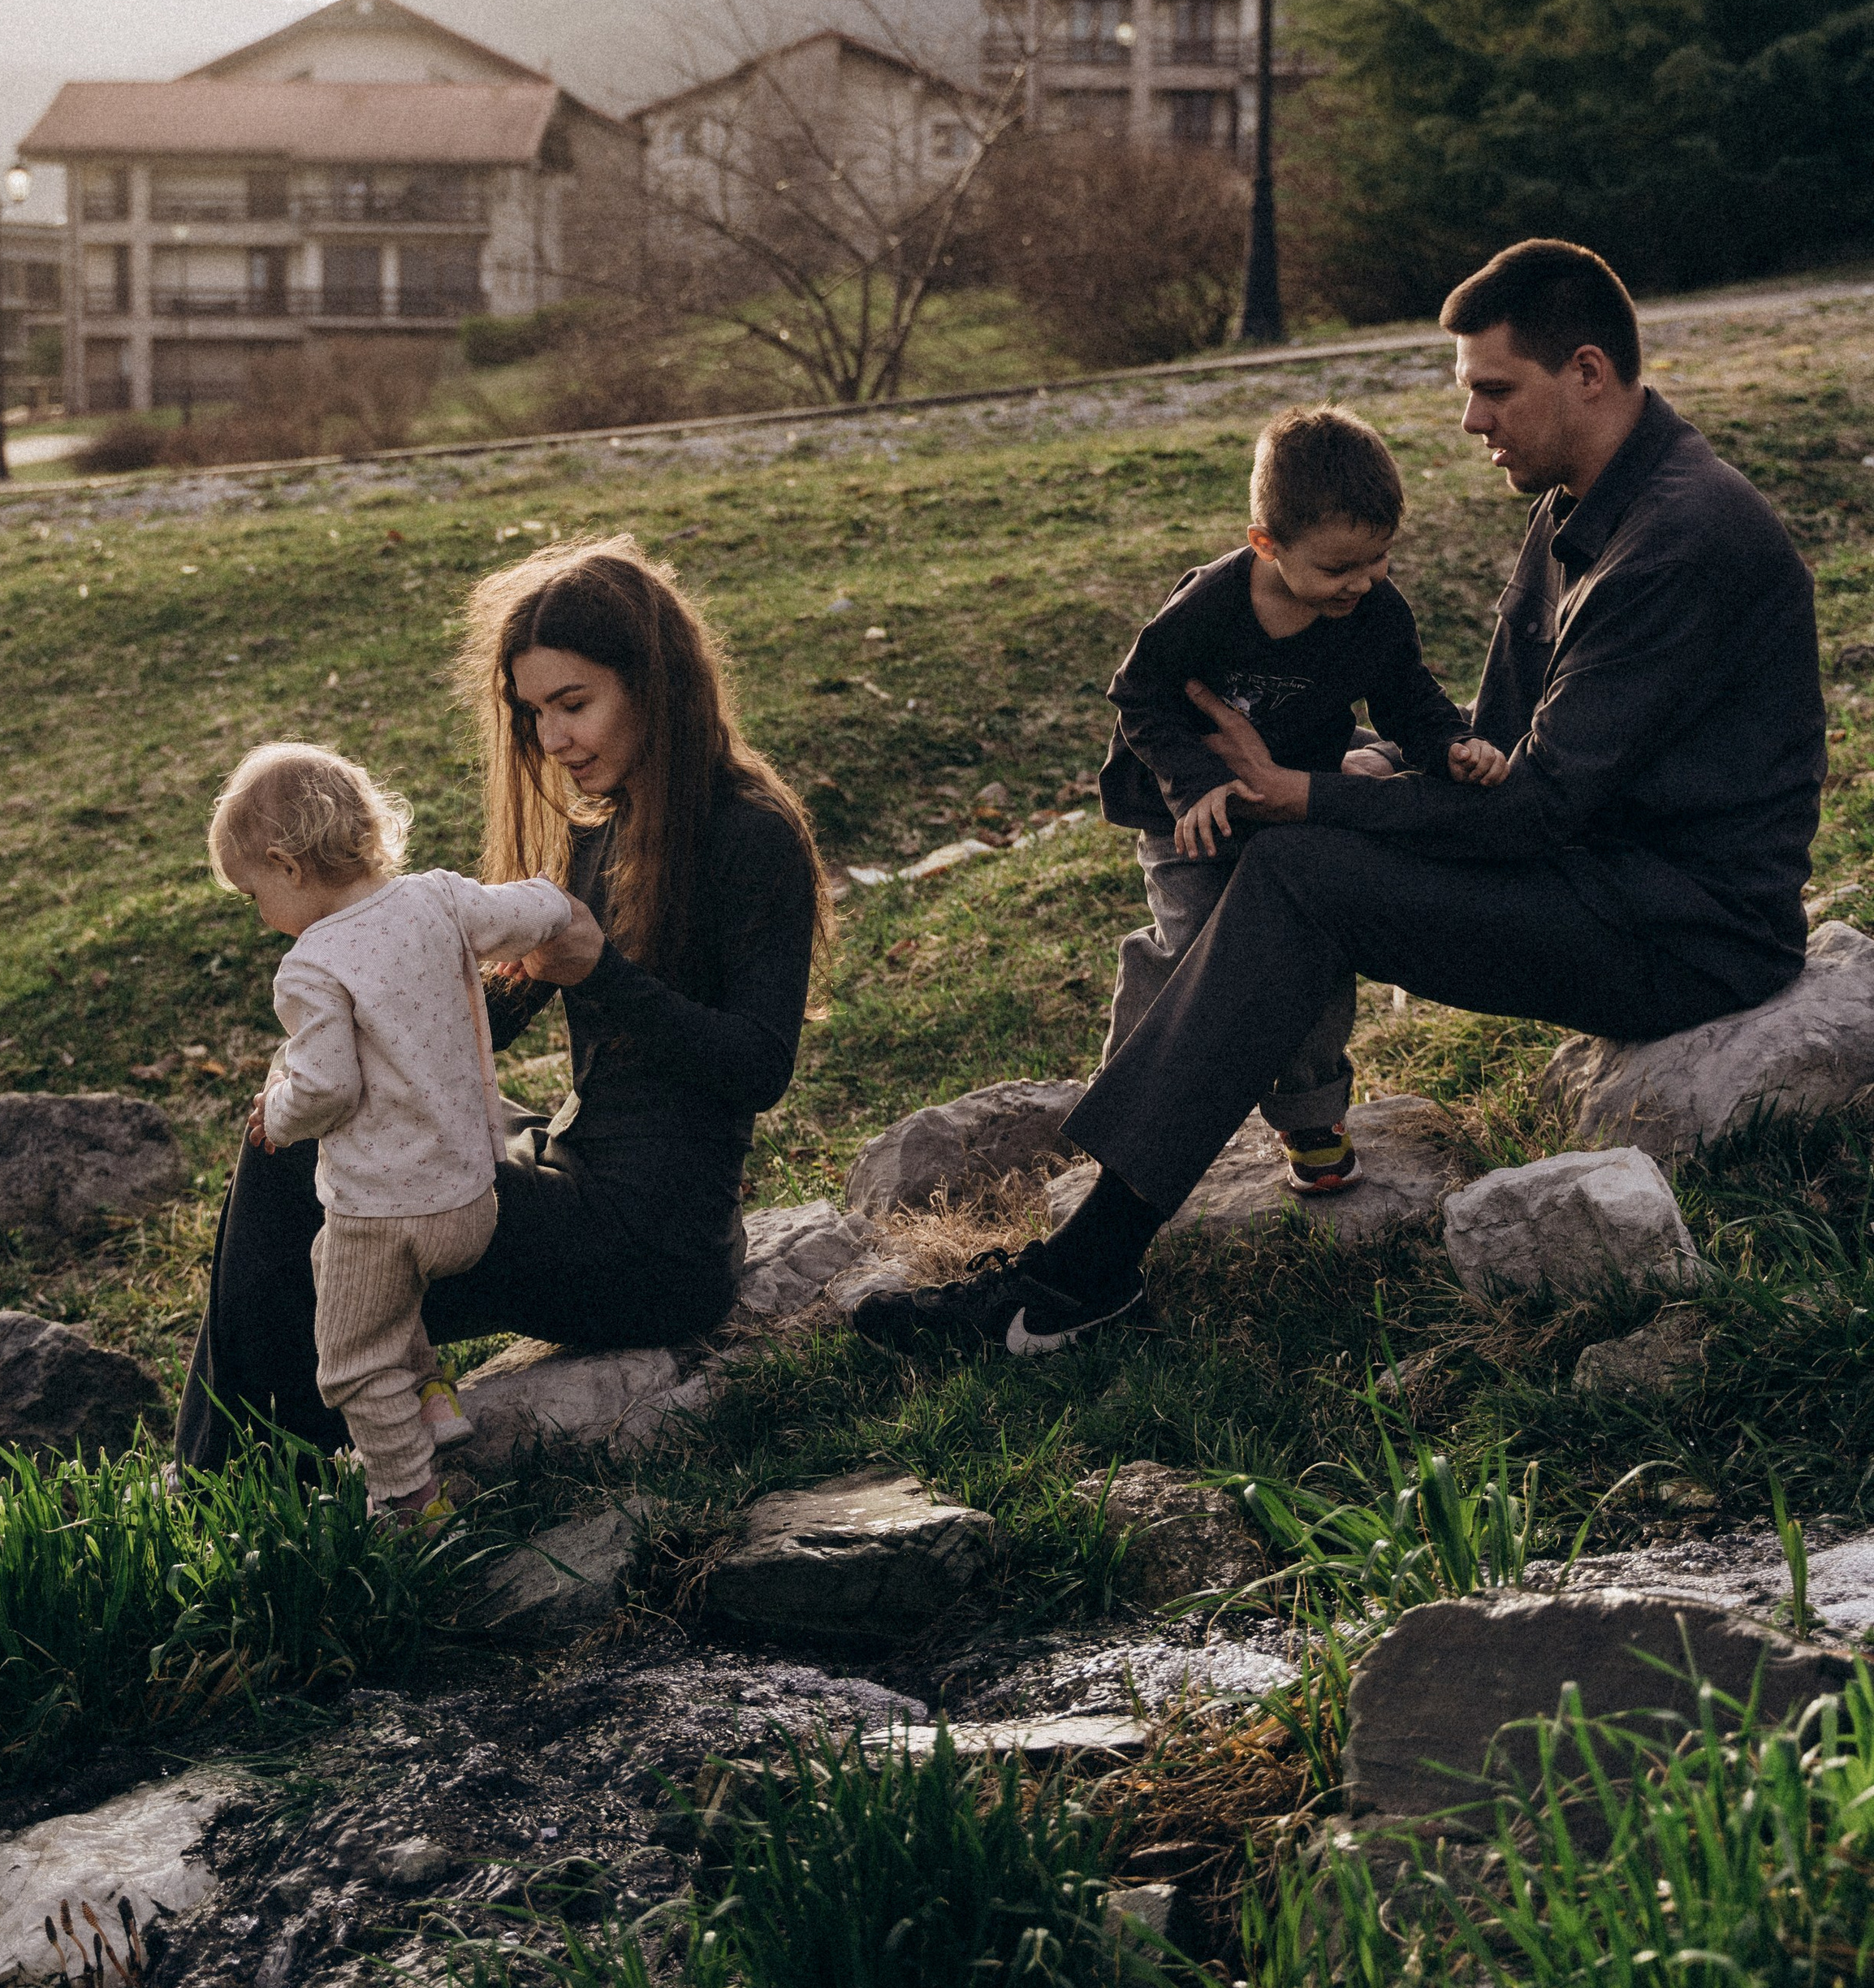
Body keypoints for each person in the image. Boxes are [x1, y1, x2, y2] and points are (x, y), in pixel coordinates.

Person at [856, 238, 1826, 1359]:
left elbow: (1536, 808)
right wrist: (1378, 771)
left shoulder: (1680, 542)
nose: (1471, 421)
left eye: (1493, 389)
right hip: (1596, 876)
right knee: (1298, 858)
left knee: (1301, 866)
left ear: (1591, 373)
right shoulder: (1578, 508)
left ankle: (1080, 1276)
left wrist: (1307, 794)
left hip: (1688, 933)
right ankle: (1091, 1247)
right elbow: (1492, 753)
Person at [174, 538, 827, 1473]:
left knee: (302, 1183)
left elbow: (757, 1069)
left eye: (574, 704)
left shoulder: (749, 835)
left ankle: (224, 1476)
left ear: (657, 683)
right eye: (534, 714)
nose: (553, 739)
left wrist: (601, 971)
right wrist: (382, 998)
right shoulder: (606, 832)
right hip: (573, 1168)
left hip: (652, 1250)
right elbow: (486, 1008)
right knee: (310, 1144)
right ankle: (264, 1455)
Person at [1094, 403, 1505, 1198]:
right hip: (1191, 816)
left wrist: (1450, 746)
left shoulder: (1374, 613)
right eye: (1335, 568)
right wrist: (1197, 784)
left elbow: (1407, 697)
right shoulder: (1209, 607)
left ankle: (1311, 1116)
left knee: (1307, 949)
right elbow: (1137, 695)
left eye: (1378, 558)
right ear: (1265, 544)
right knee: (1199, 954)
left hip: (1296, 803)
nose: (1360, 581)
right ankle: (1127, 1100)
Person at [209, 741, 576, 1519]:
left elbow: (327, 1088)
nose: (260, 914)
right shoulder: (438, 897)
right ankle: (436, 1398)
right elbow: (530, 908)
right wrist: (559, 905)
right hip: (472, 1199)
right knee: (350, 1279)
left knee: (348, 1356)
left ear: (287, 865)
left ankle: (408, 1496)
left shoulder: (311, 965)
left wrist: (275, 1114)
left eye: (253, 895)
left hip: (386, 1214)